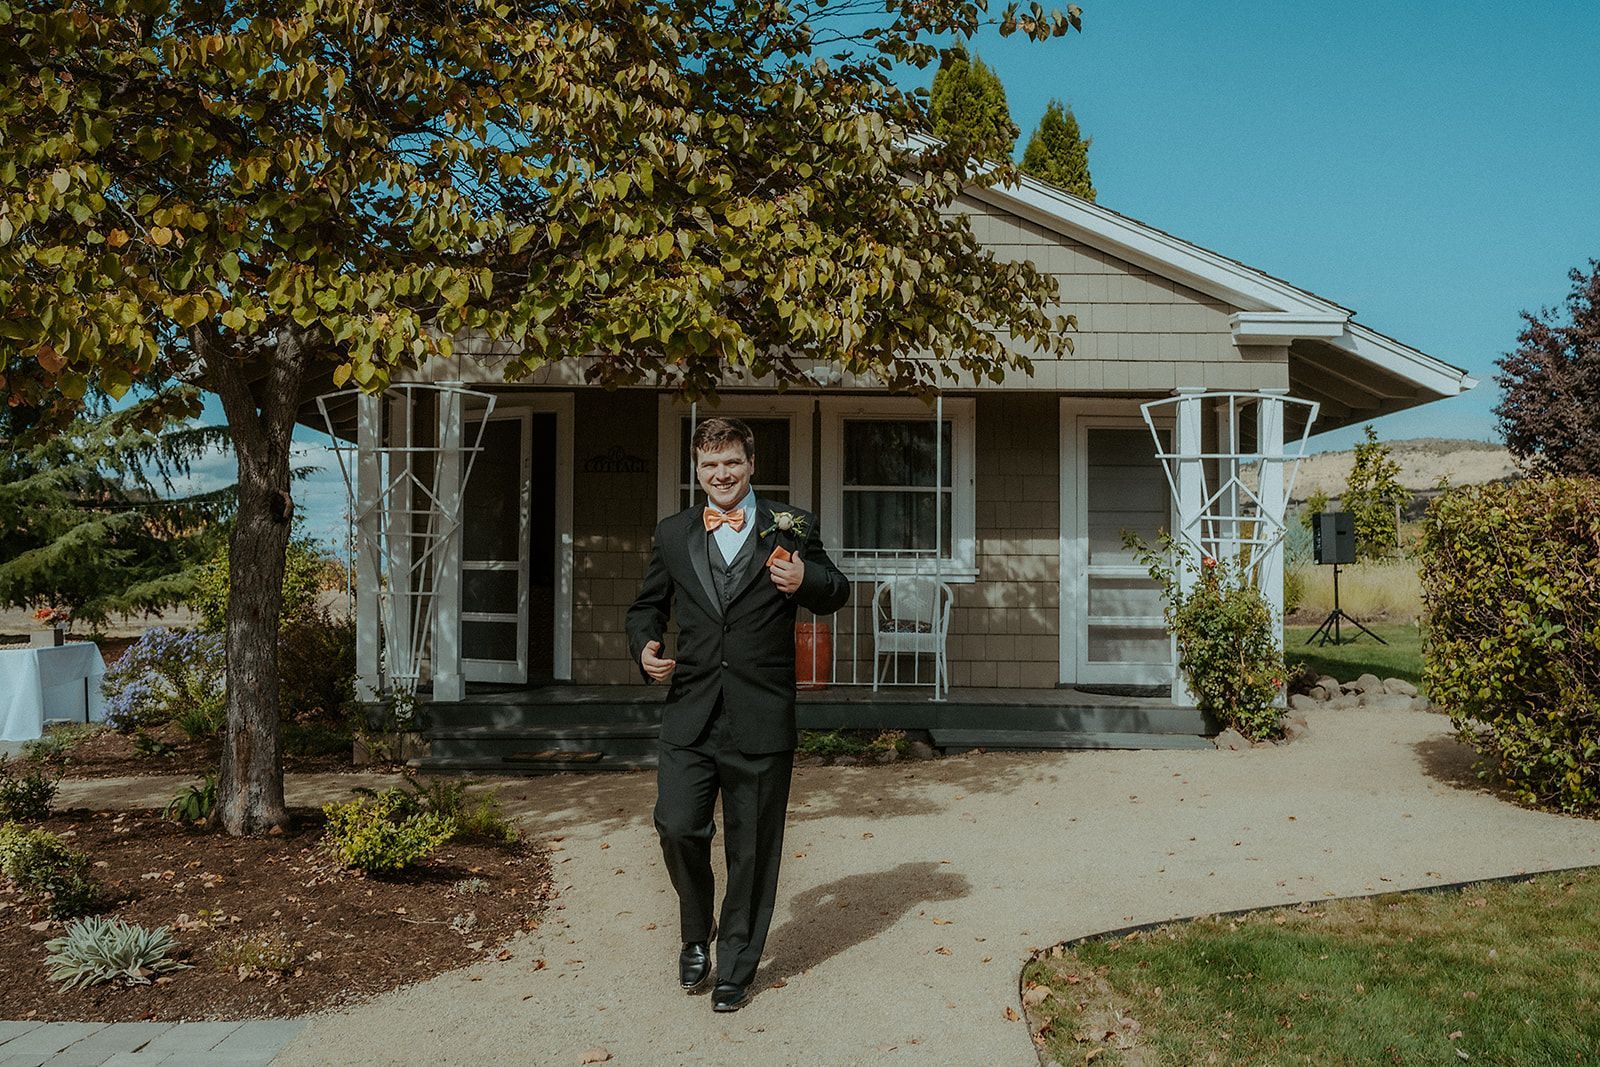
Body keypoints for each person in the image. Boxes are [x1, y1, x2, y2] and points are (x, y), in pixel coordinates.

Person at [626, 416, 850, 1012]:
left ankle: (737, 965)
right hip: (690, 711)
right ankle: (695, 933)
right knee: (676, 825)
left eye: (731, 463)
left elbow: (836, 589)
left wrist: (806, 580)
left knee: (752, 847)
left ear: (750, 465)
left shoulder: (791, 524)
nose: (720, 474)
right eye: (708, 465)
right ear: (696, 471)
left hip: (760, 712)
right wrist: (645, 647)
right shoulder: (673, 534)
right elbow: (646, 608)